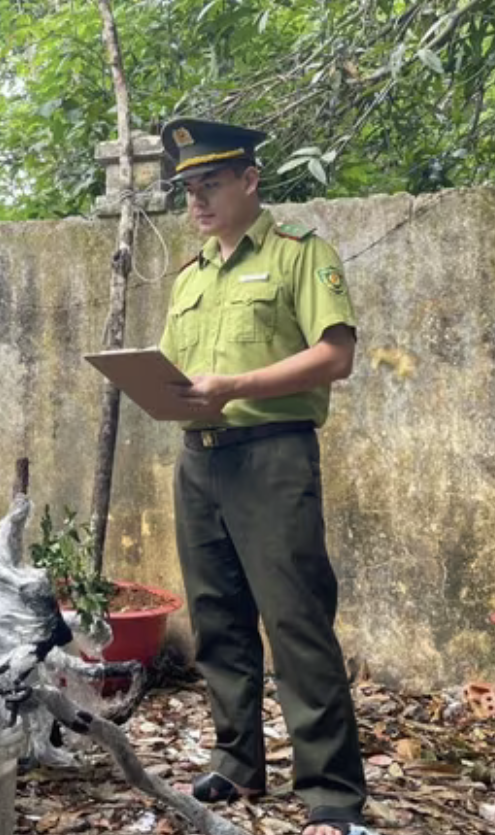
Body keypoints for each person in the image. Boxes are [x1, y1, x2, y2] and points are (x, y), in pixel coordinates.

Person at [156, 119, 369, 835]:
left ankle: (332, 793)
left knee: (296, 619)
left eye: (209, 184)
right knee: (216, 618)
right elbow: (176, 372)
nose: (196, 201)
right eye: (188, 188)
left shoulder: (297, 257)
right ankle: (236, 757)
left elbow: (334, 355)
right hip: (199, 459)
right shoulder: (190, 278)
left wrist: (238, 382)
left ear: (250, 179)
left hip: (272, 456)